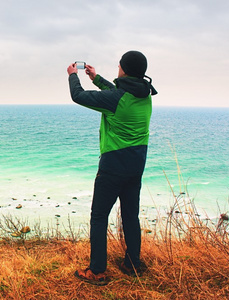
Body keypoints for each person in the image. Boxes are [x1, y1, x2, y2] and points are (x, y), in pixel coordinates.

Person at [67, 50, 157, 286]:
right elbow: (117, 94)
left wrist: (73, 76)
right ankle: (132, 263)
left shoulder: (117, 99)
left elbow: (78, 96)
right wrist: (96, 78)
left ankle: (97, 271)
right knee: (130, 215)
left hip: (113, 166)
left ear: (123, 69)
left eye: (119, 66)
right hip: (136, 165)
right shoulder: (145, 95)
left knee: (98, 217)